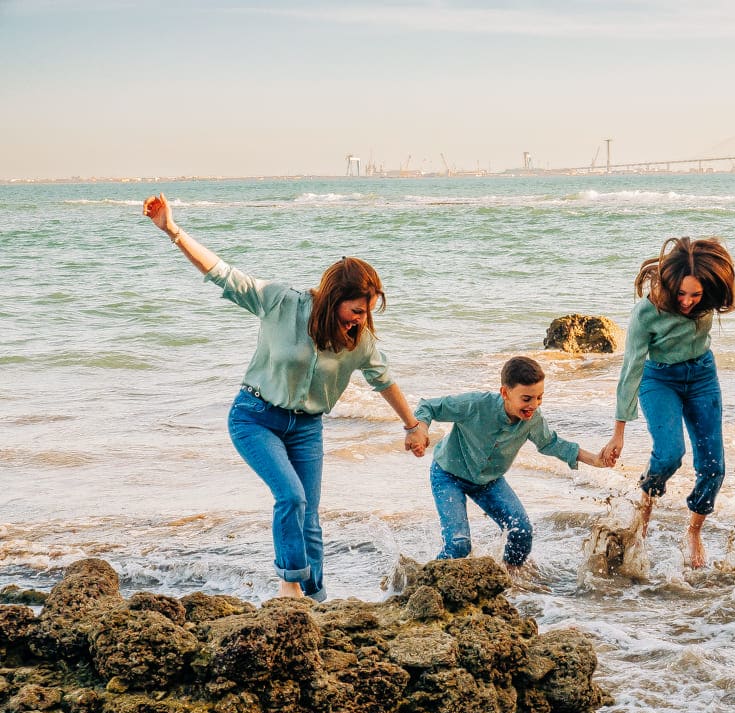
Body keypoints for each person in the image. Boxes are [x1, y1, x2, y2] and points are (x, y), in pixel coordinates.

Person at [141, 193, 429, 601]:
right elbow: (222, 273)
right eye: (357, 311)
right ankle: (289, 586)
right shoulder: (280, 302)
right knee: (290, 497)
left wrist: (412, 426)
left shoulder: (357, 341)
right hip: (255, 418)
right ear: (333, 299)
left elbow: (383, 380)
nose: (362, 320)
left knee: (310, 518)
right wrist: (173, 230)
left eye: (367, 312)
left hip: (306, 428)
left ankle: (317, 599)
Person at [600, 237, 735, 569]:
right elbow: (631, 370)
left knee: (714, 467)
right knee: (671, 454)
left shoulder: (717, 288)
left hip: (702, 376)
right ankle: (647, 495)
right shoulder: (647, 312)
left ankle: (694, 531)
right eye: (681, 294)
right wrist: (618, 433)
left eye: (696, 295)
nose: (687, 302)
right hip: (659, 379)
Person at [408, 356, 609, 572]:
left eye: (539, 398)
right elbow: (429, 406)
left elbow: (551, 443)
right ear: (505, 393)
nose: (533, 405)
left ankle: (508, 581)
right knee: (459, 545)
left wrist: (595, 459)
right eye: (526, 399)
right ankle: (424, 582)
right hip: (448, 475)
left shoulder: (532, 419)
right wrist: (420, 430)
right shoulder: (475, 405)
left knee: (521, 533)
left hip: (488, 481)